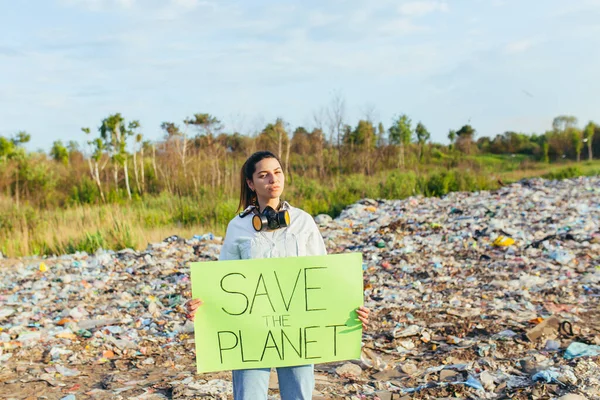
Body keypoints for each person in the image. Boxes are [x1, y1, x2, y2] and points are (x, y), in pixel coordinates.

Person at [185, 150, 370, 400]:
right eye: (263, 175)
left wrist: (350, 308)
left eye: (277, 172)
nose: (273, 179)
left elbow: (324, 278)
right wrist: (203, 308)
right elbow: (224, 282)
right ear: (251, 183)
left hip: (298, 332)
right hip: (250, 332)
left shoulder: (303, 222)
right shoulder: (237, 226)